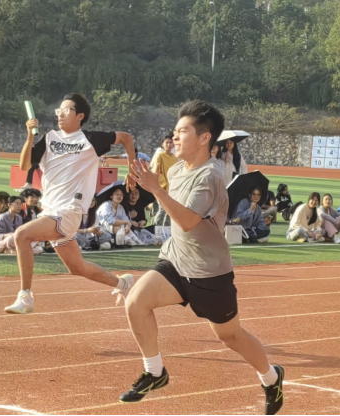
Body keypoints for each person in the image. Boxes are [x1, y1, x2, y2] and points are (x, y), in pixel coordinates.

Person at [123, 100, 284, 415]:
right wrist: (144, 185)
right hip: (176, 259)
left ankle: (271, 377)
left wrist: (156, 189)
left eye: (182, 131)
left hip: (209, 272)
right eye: (175, 130)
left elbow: (187, 220)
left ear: (204, 137)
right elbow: (171, 208)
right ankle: (155, 372)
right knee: (136, 303)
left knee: (230, 336)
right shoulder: (178, 168)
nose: (174, 136)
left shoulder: (211, 175)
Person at [3, 93, 137, 315]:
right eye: (59, 110)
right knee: (77, 267)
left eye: (66, 110)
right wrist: (29, 136)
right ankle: (124, 284)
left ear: (80, 116)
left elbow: (125, 138)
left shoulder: (90, 139)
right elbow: (25, 164)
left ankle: (25, 296)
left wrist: (131, 170)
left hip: (69, 211)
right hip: (50, 210)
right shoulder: (49, 137)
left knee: (22, 235)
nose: (60, 114)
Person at [151, 135, 179, 226]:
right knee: (162, 209)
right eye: (167, 143)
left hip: (173, 187)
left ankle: (166, 229)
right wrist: (165, 184)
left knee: (170, 210)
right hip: (162, 188)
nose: (169, 145)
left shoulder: (175, 157)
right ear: (162, 144)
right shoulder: (160, 156)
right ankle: (155, 226)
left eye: (171, 143)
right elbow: (156, 172)